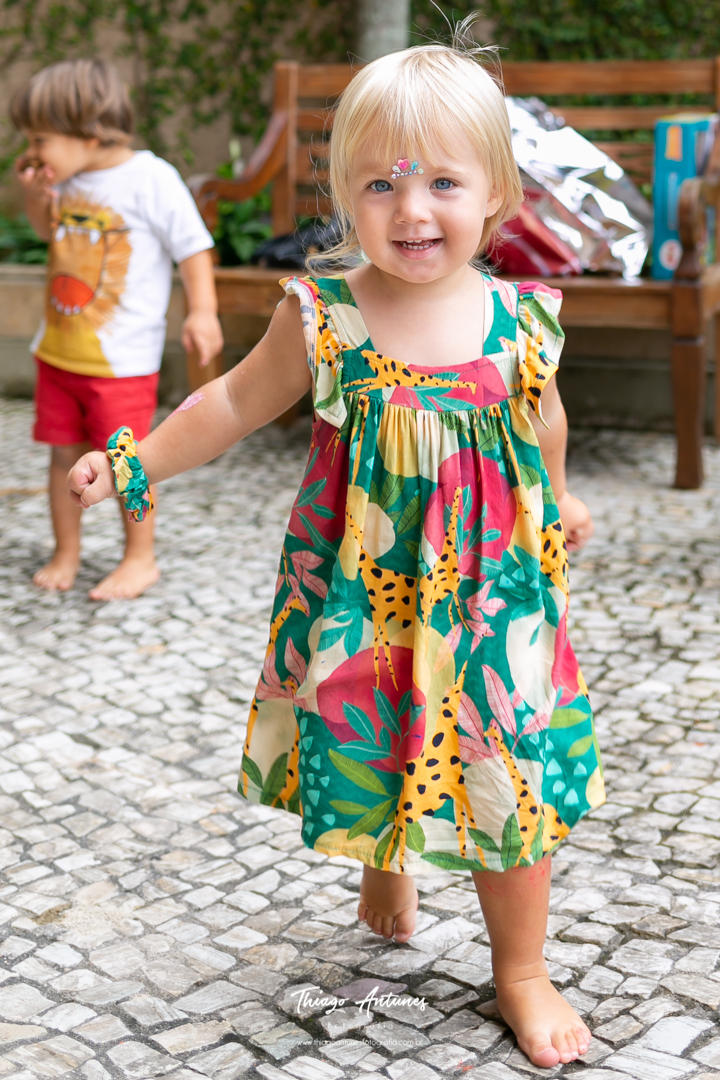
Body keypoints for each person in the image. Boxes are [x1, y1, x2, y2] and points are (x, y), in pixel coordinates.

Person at [67, 31, 605, 1069]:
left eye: (444, 181)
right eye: (380, 184)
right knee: (376, 742)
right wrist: (135, 465)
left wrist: (564, 495)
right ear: (343, 196)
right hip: (368, 600)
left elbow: (540, 424)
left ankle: (522, 969)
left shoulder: (521, 322)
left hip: (495, 601)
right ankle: (387, 862)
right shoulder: (325, 317)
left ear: (496, 193)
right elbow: (227, 402)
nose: (412, 210)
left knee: (508, 776)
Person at [11, 58, 223, 600]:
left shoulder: (151, 178)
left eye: (40, 138)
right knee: (62, 455)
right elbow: (46, 230)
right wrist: (37, 196)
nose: (32, 150)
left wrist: (202, 310)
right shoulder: (69, 177)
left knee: (127, 463)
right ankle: (67, 551)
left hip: (122, 364)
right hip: (59, 353)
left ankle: (140, 557)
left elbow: (193, 246)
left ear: (88, 128)